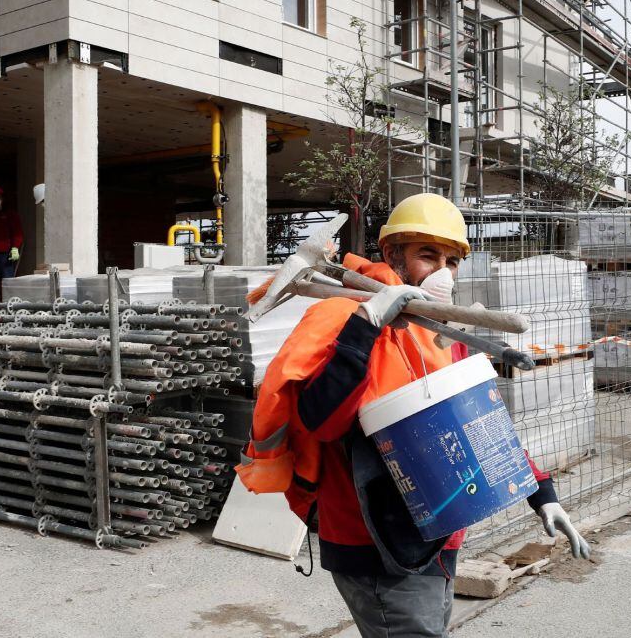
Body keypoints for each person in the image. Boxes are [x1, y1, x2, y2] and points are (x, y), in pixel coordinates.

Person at [240, 193, 589, 638]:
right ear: (391, 253)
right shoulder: (341, 317)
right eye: (428, 254)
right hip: (376, 541)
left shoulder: (440, 332)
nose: (441, 270)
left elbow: (479, 423)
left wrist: (541, 492)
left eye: (452, 260)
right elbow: (322, 421)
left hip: (440, 531)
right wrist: (366, 325)